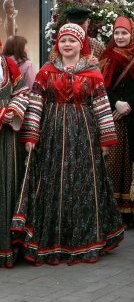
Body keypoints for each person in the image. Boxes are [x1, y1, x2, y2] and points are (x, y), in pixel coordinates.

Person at [12, 23, 124, 265]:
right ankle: (53, 241)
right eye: (63, 41)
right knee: (53, 182)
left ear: (80, 44)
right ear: (58, 44)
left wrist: (105, 139)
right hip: (52, 135)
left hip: (84, 135)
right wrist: (31, 135)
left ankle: (82, 242)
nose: (67, 45)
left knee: (82, 183)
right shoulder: (46, 71)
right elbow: (35, 103)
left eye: (72, 40)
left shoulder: (93, 72)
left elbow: (102, 108)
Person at [98, 16, 134, 228]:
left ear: (132, 33)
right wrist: (117, 104)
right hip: (114, 118)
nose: (120, 37)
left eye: (124, 33)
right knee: (115, 162)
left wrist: (129, 104)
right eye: (117, 33)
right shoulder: (106, 56)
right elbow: (101, 87)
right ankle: (118, 213)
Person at [0, 52, 29, 268]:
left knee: (8, 185)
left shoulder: (7, 62)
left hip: (7, 136)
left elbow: (22, 91)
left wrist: (13, 108)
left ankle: (5, 248)